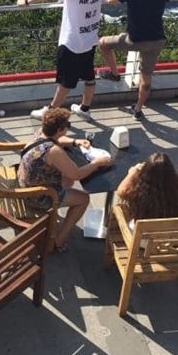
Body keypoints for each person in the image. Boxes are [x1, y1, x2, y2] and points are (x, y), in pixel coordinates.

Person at [17, 0, 106, 121]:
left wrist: (26, 1)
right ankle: (85, 108)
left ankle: (50, 112)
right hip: (90, 37)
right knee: (89, 76)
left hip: (73, 42)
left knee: (65, 82)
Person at [17, 108, 112, 252]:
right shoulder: (54, 151)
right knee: (83, 199)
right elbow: (77, 174)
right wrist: (97, 163)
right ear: (60, 129)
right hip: (38, 196)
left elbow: (59, 139)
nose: (68, 127)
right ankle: (58, 241)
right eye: (67, 125)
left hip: (26, 183)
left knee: (67, 178)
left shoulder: (41, 133)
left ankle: (63, 199)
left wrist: (75, 142)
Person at [98, 0, 169, 120]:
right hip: (157, 40)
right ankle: (137, 109)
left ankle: (115, 74)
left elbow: (110, 0)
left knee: (103, 43)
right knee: (146, 79)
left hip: (135, 40)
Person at [115, 152, 178, 230]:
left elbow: (121, 190)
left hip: (142, 238)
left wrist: (132, 172)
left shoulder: (139, 194)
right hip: (169, 236)